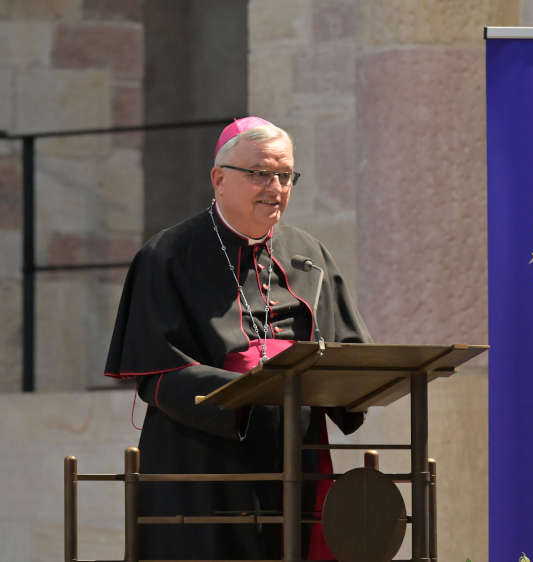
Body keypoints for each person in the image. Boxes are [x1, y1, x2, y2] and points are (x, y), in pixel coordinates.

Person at [104, 117, 370, 560]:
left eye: (285, 175)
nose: (276, 187)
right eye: (260, 173)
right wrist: (251, 389)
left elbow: (351, 352)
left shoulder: (310, 255)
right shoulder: (167, 255)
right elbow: (157, 373)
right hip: (203, 462)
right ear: (219, 179)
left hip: (297, 458)